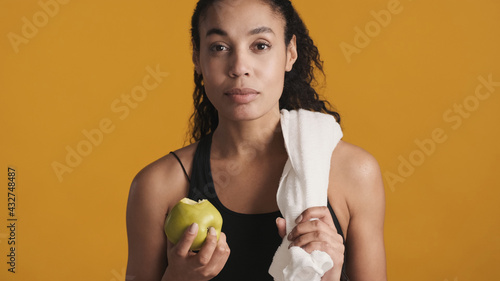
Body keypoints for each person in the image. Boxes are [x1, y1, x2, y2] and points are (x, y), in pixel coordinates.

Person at [125, 0, 387, 280]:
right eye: (219, 47)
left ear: (290, 53)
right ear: (197, 58)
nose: (239, 67)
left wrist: (330, 274)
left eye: (260, 45)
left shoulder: (354, 173)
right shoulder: (157, 187)